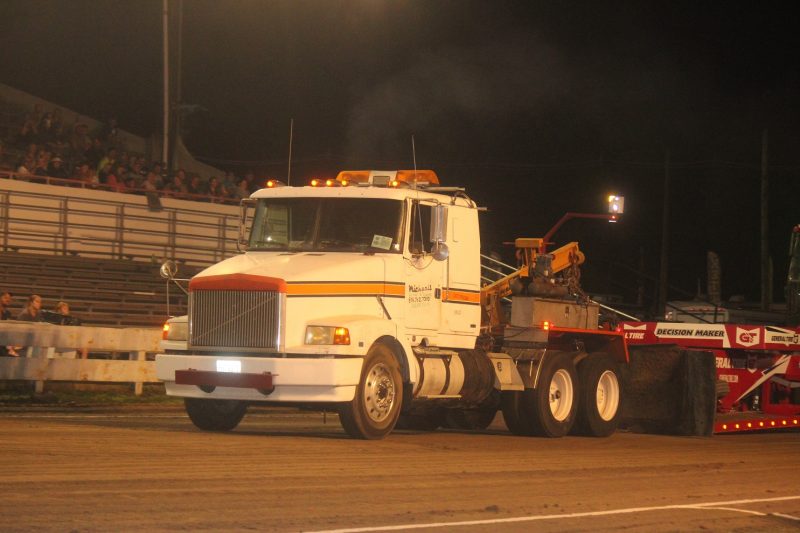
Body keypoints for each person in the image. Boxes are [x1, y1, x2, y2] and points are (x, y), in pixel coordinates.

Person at [1, 291, 18, 357]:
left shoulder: (8, 313)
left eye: (9, 298)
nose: (8, 300)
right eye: (5, 298)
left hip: (4, 342)